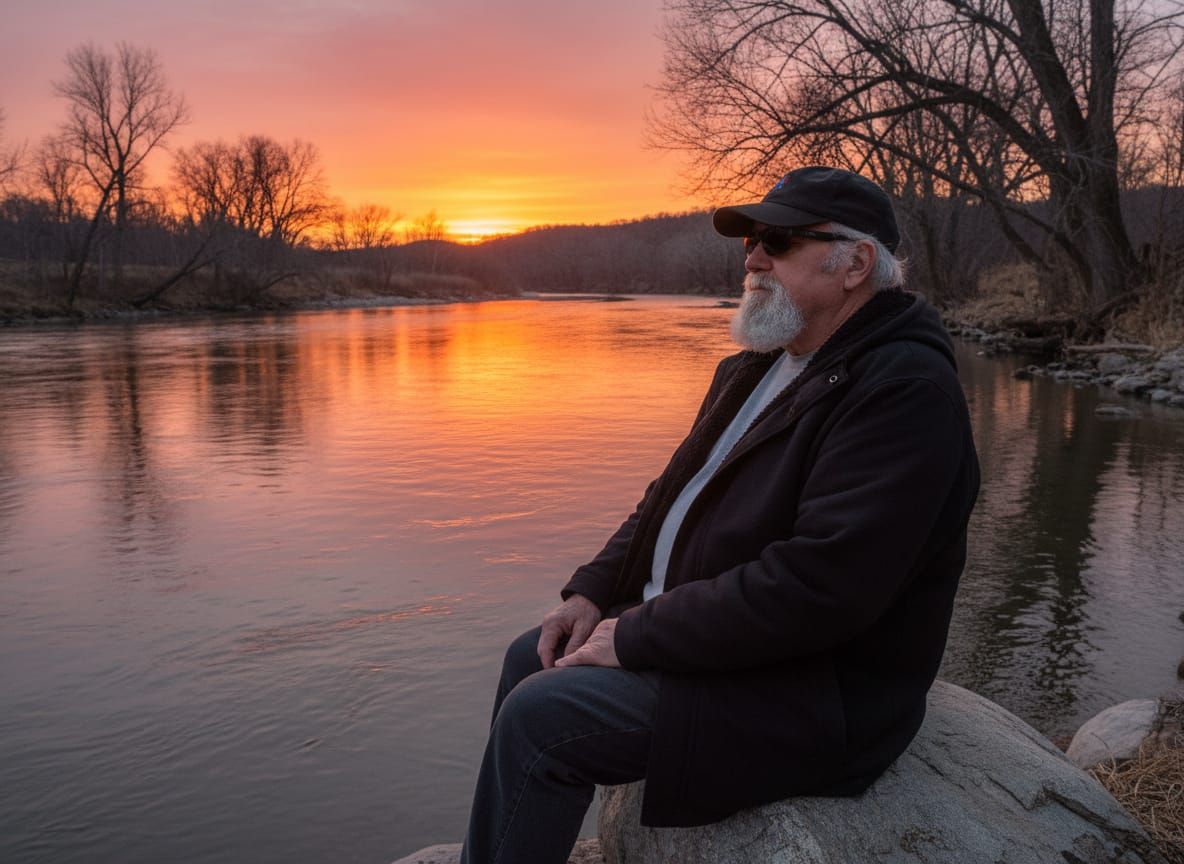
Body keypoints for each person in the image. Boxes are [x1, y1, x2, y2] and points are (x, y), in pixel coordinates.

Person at [459, 166, 981, 864]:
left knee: (540, 719)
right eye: (750, 242)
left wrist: (636, 634)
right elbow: (670, 493)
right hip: (732, 646)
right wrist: (593, 590)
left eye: (780, 240)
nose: (754, 257)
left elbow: (819, 587)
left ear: (855, 264)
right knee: (532, 656)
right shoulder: (761, 365)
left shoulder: (903, 389)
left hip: (813, 688)